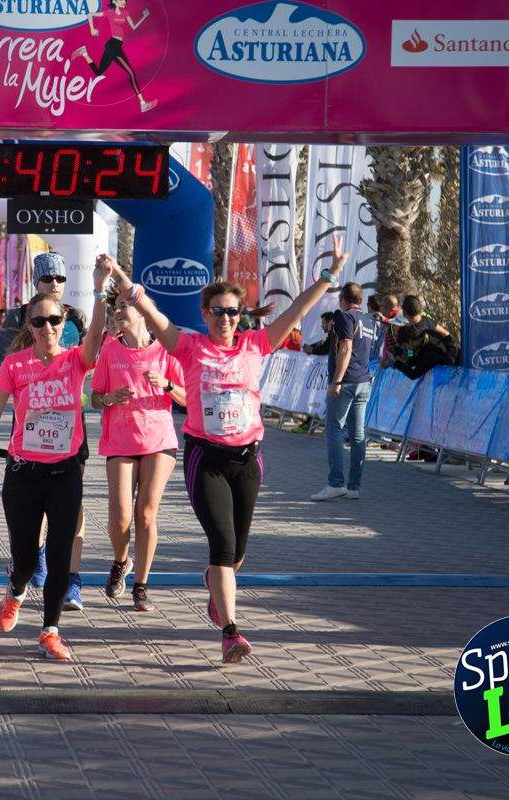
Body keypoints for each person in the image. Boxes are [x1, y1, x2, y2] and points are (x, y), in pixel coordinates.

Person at [108, 241, 347, 663]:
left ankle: (217, 588)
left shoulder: (256, 344)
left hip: (247, 459)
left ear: (241, 316)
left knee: (236, 552)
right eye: (217, 311)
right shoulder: (189, 347)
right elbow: (149, 312)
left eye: (232, 312)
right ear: (205, 315)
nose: (225, 319)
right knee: (220, 545)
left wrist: (328, 277)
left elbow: (295, 313)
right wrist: (120, 277)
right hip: (206, 459)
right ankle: (232, 632)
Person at [0, 259, 109, 661]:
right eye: (39, 322)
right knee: (25, 559)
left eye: (54, 321)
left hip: (65, 472)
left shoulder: (76, 359)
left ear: (63, 322)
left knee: (60, 555)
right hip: (23, 472)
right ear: (29, 325)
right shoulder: (14, 364)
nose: (47, 328)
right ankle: (14, 593)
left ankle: (50, 630)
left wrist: (98, 289)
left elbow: (96, 334)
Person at [0, 252, 91, 609]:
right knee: (34, 515)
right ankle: (31, 562)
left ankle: (71, 578)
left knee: (70, 505)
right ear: (37, 282)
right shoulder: (20, 317)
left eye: (61, 279)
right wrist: (32, 365)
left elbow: (92, 362)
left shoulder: (76, 318)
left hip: (70, 425)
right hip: (30, 429)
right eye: (48, 279)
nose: (55, 285)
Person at [90, 285, 185, 611]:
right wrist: (109, 399)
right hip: (120, 440)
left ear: (143, 312)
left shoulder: (165, 351)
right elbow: (94, 397)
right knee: (119, 518)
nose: (118, 312)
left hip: (159, 440)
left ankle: (142, 585)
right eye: (115, 306)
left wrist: (167, 384)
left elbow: (189, 398)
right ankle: (121, 561)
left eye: (123, 306)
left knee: (145, 514)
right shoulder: (110, 350)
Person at [311, 283, 380, 502]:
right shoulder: (369, 320)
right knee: (358, 434)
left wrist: (337, 380)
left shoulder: (344, 317)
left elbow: (346, 347)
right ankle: (353, 487)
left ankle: (336, 483)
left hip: (347, 381)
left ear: (343, 299)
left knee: (334, 429)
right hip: (363, 381)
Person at [74, 0, 157, 113]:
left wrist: (143, 17)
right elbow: (90, 14)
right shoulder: (110, 12)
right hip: (113, 45)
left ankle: (84, 53)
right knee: (131, 73)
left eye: (125, 1)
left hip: (116, 46)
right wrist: (92, 28)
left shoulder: (126, 13)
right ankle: (143, 104)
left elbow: (133, 27)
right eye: (121, 0)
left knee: (99, 72)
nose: (124, 2)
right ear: (115, 1)